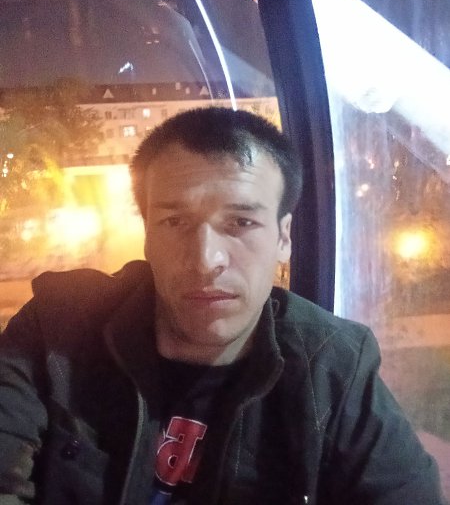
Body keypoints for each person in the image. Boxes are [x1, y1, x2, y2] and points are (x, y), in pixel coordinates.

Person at [0, 107, 445, 505]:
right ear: (147, 234)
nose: (205, 260)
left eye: (241, 222)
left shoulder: (333, 367)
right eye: (175, 221)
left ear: (283, 237)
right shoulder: (56, 327)